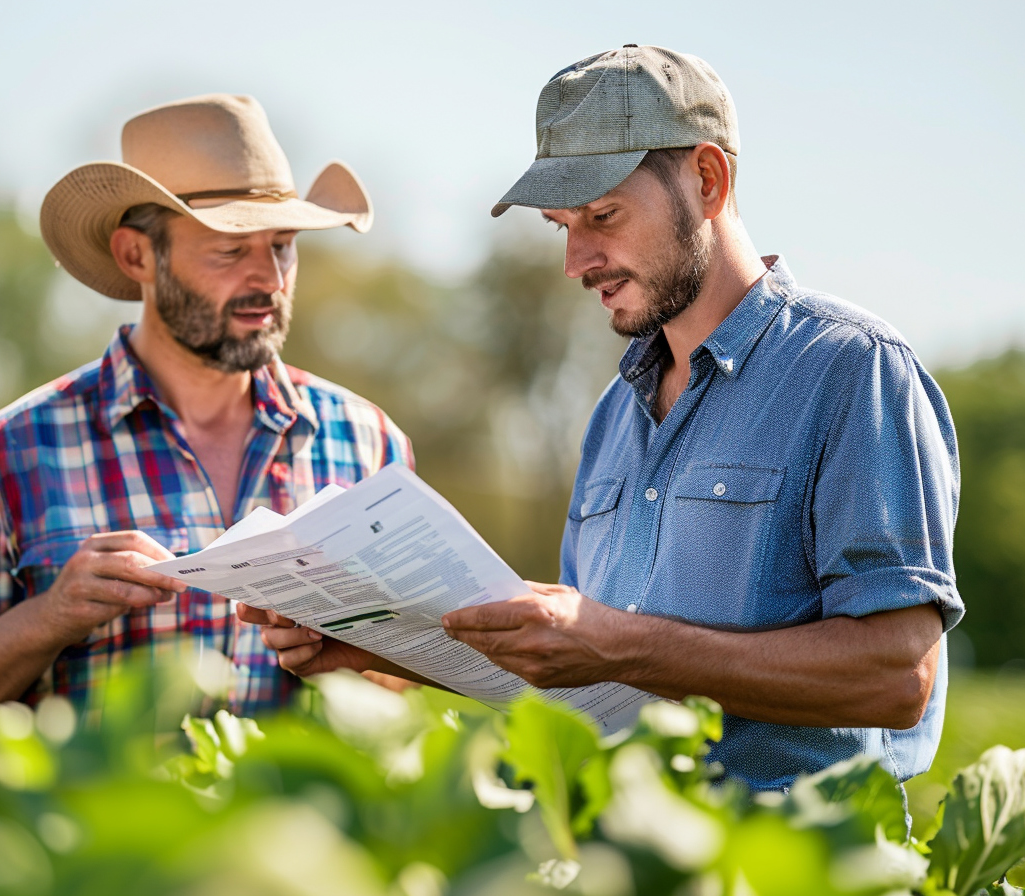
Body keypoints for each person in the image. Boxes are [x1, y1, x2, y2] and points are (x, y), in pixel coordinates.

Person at [242, 46, 962, 793]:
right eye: (563, 226)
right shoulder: (613, 416)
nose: (577, 260)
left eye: (604, 215)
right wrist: (375, 650)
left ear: (708, 181)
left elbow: (896, 675)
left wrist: (622, 644)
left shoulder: (853, 371)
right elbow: (583, 682)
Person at [0, 94, 412, 727]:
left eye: (283, 246)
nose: (269, 279)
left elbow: (410, 679)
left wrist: (361, 659)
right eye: (230, 250)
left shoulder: (369, 442)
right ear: (137, 255)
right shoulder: (3, 455)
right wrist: (45, 619)